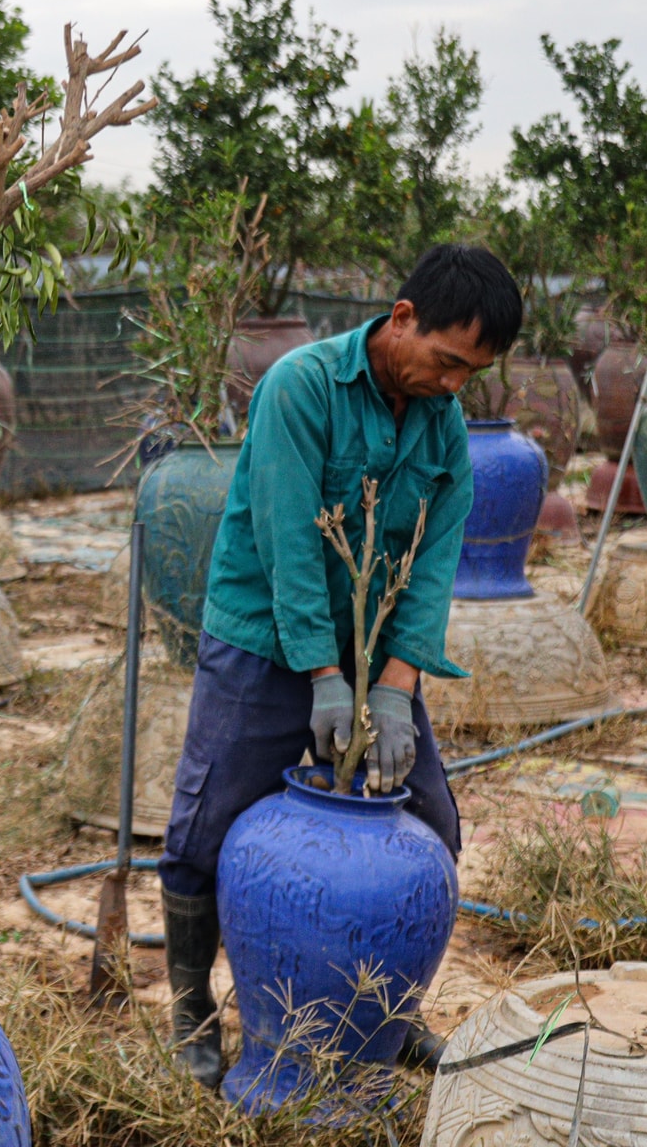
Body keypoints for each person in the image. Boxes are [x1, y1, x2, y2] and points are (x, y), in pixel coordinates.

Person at [157, 245, 523, 1088]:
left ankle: (387, 1015)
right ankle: (193, 1011)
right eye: (447, 361)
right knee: (205, 825)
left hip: (373, 647)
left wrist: (395, 688)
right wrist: (322, 674)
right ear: (401, 319)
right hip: (260, 633)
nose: (454, 384)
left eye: (473, 373)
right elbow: (289, 541)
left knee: (429, 815)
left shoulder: (444, 426)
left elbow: (432, 566)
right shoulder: (301, 387)